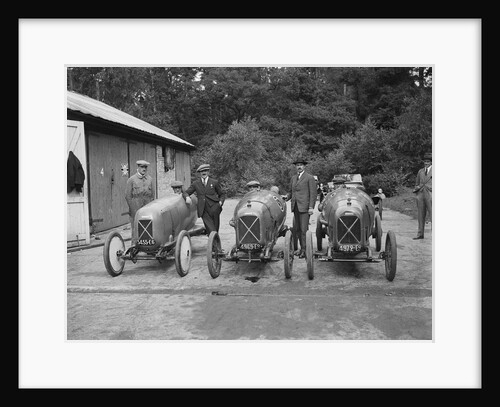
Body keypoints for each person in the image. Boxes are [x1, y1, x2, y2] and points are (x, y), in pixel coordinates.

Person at [283, 158, 317, 258]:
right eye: (297, 165)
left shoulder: (309, 178)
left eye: (301, 165)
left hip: (305, 207)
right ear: (295, 167)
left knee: (303, 230)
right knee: (297, 229)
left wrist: (311, 207)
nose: (299, 166)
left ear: (304, 166)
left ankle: (304, 250)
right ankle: (299, 249)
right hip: (295, 207)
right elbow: (291, 191)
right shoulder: (293, 178)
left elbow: (313, 194)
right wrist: (286, 197)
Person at [185, 164, 226, 235]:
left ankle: (215, 243)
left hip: (214, 207)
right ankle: (213, 241)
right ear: (199, 173)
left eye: (205, 171)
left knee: (215, 227)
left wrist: (220, 203)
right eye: (202, 171)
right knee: (210, 228)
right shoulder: (196, 183)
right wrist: (187, 197)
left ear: (208, 172)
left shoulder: (214, 182)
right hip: (203, 209)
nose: (203, 173)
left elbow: (222, 194)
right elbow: (186, 192)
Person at [125, 160, 155, 244]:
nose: (144, 169)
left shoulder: (150, 179)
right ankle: (134, 247)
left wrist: (150, 208)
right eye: (142, 167)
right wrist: (133, 208)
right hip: (135, 207)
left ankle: (147, 246)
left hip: (147, 207)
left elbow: (152, 195)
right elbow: (127, 196)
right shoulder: (132, 180)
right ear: (138, 168)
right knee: (135, 229)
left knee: (148, 227)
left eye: (145, 167)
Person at [413, 152, 432, 239]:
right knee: (420, 215)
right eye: (425, 161)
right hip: (420, 194)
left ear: (431, 162)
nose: (426, 163)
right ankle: (420, 234)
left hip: (430, 194)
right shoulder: (420, 171)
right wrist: (417, 189)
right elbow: (416, 183)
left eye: (428, 161)